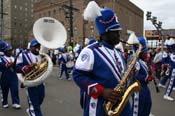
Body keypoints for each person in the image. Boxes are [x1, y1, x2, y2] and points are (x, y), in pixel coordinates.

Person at [73, 1, 132, 116]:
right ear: (105, 33)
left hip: (120, 104)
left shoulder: (118, 52)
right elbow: (78, 76)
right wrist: (102, 91)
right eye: (115, 32)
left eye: (118, 31)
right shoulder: (90, 51)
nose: (119, 35)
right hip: (100, 106)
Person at [16, 39, 45, 116]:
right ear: (31, 47)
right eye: (35, 46)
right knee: (35, 106)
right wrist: (27, 67)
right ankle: (33, 111)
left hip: (40, 82)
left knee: (40, 99)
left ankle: (31, 110)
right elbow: (17, 68)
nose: (37, 48)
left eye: (38, 46)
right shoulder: (23, 55)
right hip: (30, 84)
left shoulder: (42, 55)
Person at [131, 37, 152, 116]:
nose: (147, 54)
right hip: (138, 89)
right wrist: (147, 78)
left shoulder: (143, 62)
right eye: (145, 52)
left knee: (147, 104)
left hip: (145, 87)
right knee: (138, 110)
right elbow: (136, 76)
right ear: (140, 53)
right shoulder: (135, 62)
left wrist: (149, 75)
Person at [0, 42, 21, 109]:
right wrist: (6, 65)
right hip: (4, 76)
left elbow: (17, 67)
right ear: (5, 51)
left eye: (11, 50)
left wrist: (17, 67)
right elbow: (0, 66)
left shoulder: (13, 58)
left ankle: (16, 102)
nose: (10, 52)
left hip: (13, 76)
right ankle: (5, 102)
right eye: (9, 50)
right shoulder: (1, 58)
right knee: (5, 90)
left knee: (15, 89)